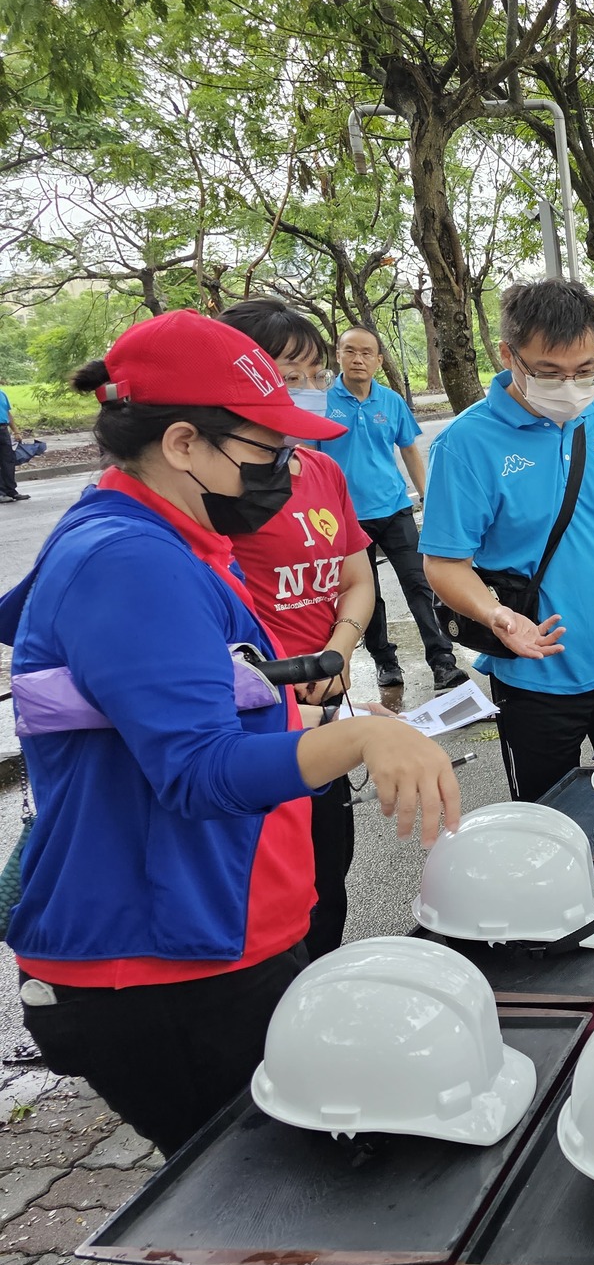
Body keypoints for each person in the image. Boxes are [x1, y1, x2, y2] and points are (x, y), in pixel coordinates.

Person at [1, 309, 459, 1154]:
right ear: (183, 444)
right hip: (167, 962)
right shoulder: (128, 560)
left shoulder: (176, 539)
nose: (284, 470)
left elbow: (208, 702)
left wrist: (325, 714)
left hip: (215, 932)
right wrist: (359, 743)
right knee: (255, 1206)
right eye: (264, 450)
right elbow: (196, 771)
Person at [421, 280, 594, 805]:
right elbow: (444, 564)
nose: (570, 387)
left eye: (584, 371)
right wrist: (497, 617)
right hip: (536, 676)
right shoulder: (466, 444)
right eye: (550, 373)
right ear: (509, 355)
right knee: (549, 820)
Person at [217, 298, 378, 959]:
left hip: (324, 706)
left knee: (326, 877)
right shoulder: (216, 489)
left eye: (316, 374)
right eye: (291, 373)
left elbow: (357, 580)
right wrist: (283, 679)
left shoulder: (322, 471)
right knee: (263, 895)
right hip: (254, 725)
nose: (310, 390)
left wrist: (336, 653)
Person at [319, 325, 465, 694]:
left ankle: (443, 664)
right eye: (350, 351)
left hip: (395, 509)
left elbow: (410, 451)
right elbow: (308, 461)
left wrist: (430, 502)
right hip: (343, 519)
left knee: (420, 584)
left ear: (379, 361)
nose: (358, 358)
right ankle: (385, 661)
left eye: (367, 352)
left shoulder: (390, 401)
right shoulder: (321, 402)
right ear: (337, 355)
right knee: (366, 593)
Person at [0, 374, 26, 503]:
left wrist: (16, 431)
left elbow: (7, 413)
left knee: (8, 461)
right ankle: (1, 493)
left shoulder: (2, 394)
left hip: (3, 430)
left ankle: (11, 491)